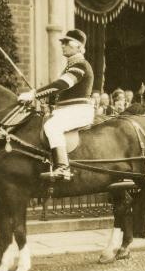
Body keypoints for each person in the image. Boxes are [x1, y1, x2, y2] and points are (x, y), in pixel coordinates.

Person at [18, 29, 94, 181]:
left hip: (79, 111)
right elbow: (62, 92)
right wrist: (47, 101)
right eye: (62, 43)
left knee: (52, 126)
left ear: (78, 46)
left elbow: (63, 84)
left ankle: (63, 168)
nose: (63, 46)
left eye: (67, 43)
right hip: (68, 110)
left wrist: (34, 94)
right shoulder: (71, 65)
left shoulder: (81, 65)